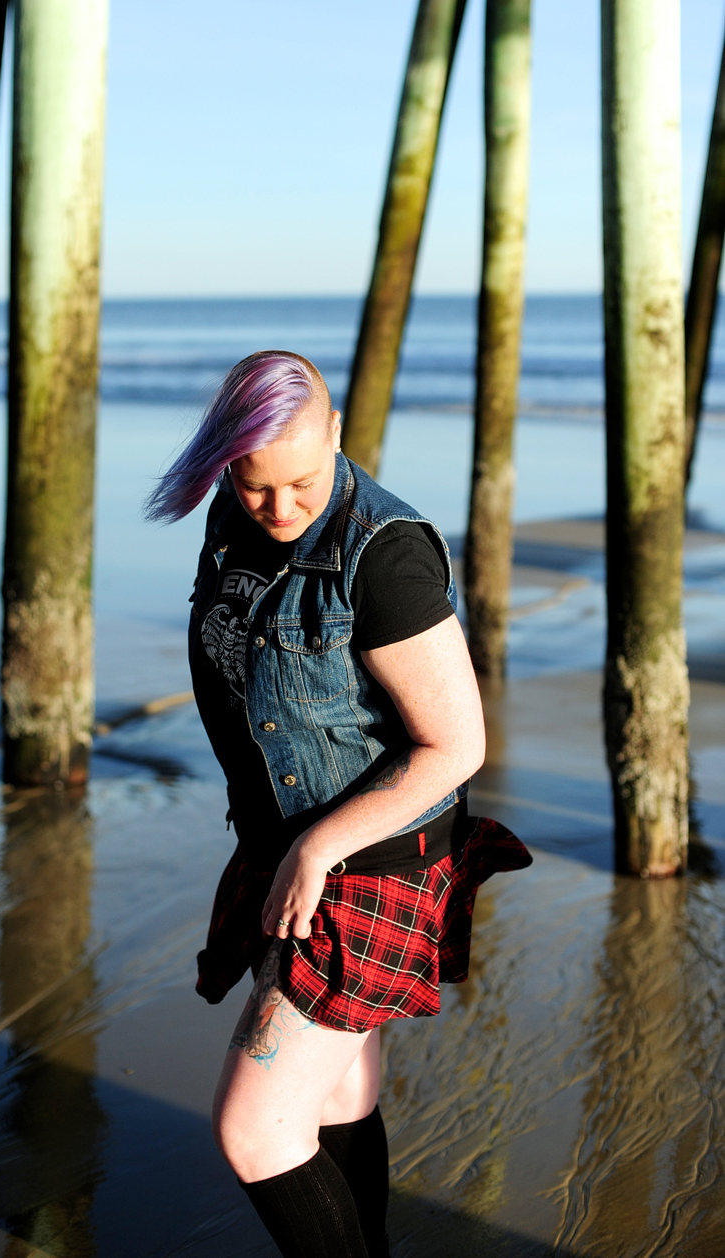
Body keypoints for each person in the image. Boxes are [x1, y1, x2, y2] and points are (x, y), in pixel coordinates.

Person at [145, 351, 531, 1258]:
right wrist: (285, 844)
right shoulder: (232, 521)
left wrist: (318, 850)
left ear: (338, 436)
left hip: (368, 862)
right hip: (284, 840)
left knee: (257, 1130)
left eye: (302, 484)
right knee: (339, 1095)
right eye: (255, 487)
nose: (280, 510)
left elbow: (457, 744)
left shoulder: (384, 554)